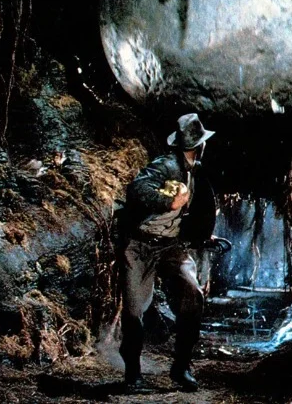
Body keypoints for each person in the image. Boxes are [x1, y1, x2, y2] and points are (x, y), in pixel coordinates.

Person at [118, 113, 215, 392]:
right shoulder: (166, 165)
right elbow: (137, 189)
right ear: (199, 145)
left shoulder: (195, 171)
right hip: (140, 245)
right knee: (134, 309)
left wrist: (201, 234)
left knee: (192, 294)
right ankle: (133, 375)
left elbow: (198, 211)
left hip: (170, 246)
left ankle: (181, 367)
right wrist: (169, 202)